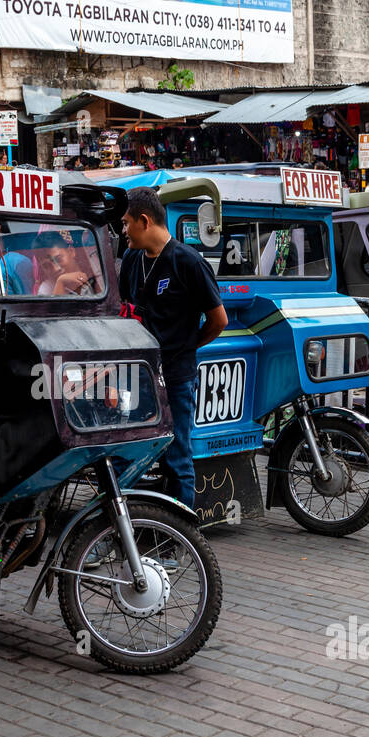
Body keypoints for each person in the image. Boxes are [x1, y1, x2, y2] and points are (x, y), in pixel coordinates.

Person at [119, 188, 227, 506]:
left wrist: (187, 347)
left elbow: (218, 320)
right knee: (128, 455)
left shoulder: (188, 261)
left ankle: (177, 546)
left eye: (126, 223)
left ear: (144, 220)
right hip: (137, 375)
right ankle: (114, 535)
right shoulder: (131, 259)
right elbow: (125, 308)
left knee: (177, 458)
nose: (123, 231)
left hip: (177, 377)